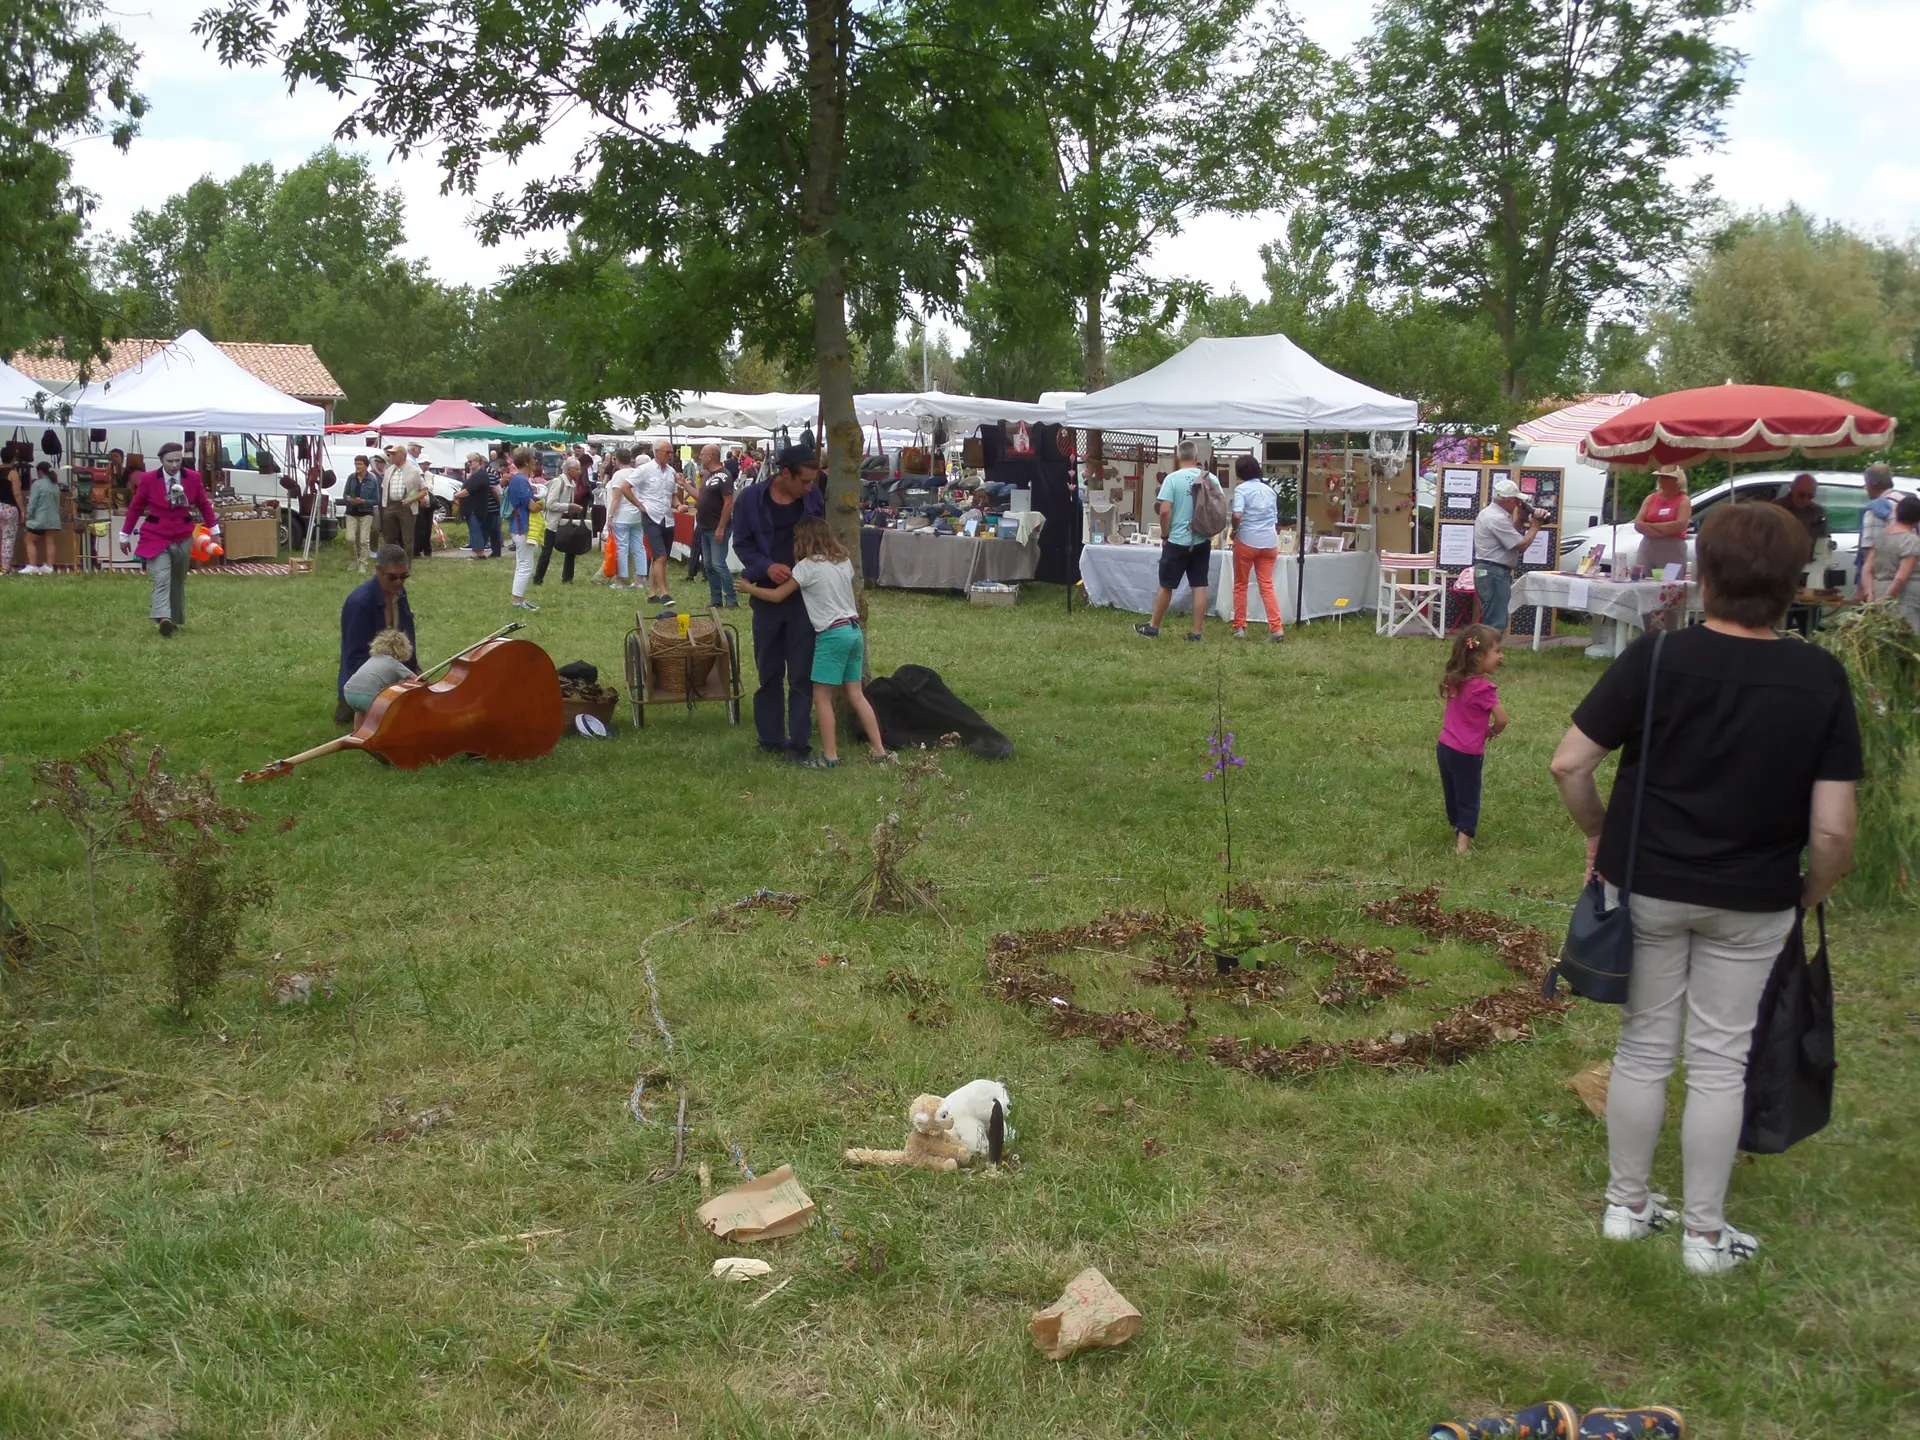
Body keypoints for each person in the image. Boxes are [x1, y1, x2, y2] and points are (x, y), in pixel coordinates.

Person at [1548, 501, 1861, 1276]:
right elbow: (1833, 830)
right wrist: (1812, 892)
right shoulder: (1820, 677)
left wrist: (1596, 834)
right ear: (1795, 582)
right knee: (1722, 1059)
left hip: (1648, 885)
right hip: (1755, 896)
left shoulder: (1656, 658)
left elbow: (1569, 764)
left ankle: (1626, 1208)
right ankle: (1704, 1236)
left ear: (1703, 575)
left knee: (1644, 1047)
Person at [737, 517, 890, 768]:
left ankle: (830, 756)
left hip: (832, 635)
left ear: (804, 541)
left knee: (822, 697)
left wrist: (749, 588)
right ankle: (879, 750)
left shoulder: (806, 568)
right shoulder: (843, 563)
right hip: (853, 631)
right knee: (856, 694)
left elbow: (777, 596)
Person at [733, 443, 827, 758]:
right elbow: (742, 544)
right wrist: (766, 567)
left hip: (805, 597)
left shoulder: (812, 498)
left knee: (802, 673)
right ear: (785, 473)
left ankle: (799, 744)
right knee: (769, 671)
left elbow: (821, 539)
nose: (809, 487)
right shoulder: (750, 499)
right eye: (803, 481)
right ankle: (770, 740)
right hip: (765, 596)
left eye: (812, 481)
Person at [119, 442, 217, 635]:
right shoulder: (148, 479)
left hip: (183, 534)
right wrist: (124, 535)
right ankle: (163, 617)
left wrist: (214, 531)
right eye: (170, 461)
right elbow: (136, 507)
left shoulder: (193, 478)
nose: (174, 465)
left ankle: (174, 619)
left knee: (178, 580)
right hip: (155, 535)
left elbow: (204, 504)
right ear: (161, 461)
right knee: (161, 577)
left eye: (178, 461)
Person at [1436, 623, 1508, 855]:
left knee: (1452, 792)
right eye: (1497, 651)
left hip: (1445, 747)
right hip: (1467, 753)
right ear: (1478, 657)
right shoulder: (1483, 688)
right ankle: (1462, 846)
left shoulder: (1455, 680)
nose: (1501, 656)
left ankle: (1456, 827)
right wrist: (1491, 732)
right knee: (1468, 795)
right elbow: (1502, 720)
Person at [1134, 439, 1213, 641]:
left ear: (1178, 457)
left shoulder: (1172, 479)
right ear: (1196, 457)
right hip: (1202, 539)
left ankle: (1154, 627)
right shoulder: (1209, 478)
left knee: (1166, 584)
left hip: (1178, 539)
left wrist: (1164, 535)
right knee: (1199, 585)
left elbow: (1164, 511)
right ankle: (1196, 632)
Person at [337, 545, 420, 724]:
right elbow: (355, 658)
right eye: (392, 577)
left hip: (393, 673)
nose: (398, 582)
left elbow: (407, 637)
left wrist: (416, 672)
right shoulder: (359, 603)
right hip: (363, 682)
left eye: (404, 576)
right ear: (378, 570)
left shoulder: (399, 593)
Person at [1472, 477, 1543, 631]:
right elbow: (1521, 545)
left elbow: (1511, 538)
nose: (1518, 504)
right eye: (1516, 501)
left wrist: (1521, 519)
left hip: (1489, 571)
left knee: (1491, 616)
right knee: (1495, 621)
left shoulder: (1490, 514)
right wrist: (1535, 526)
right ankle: (1487, 651)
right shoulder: (1496, 518)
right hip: (1494, 573)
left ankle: (1482, 650)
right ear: (1507, 500)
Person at [1227, 454, 1285, 642]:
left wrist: (1234, 531)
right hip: (1269, 542)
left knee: (1241, 585)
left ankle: (1239, 626)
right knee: (1267, 586)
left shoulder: (1241, 490)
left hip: (1247, 540)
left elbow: (1237, 515)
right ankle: (1276, 628)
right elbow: (1275, 519)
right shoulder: (1270, 491)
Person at [633, 442, 680, 606]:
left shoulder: (671, 472)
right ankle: (665, 593)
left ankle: (652, 593)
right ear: (657, 452)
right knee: (661, 556)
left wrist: (679, 505)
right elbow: (625, 487)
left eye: (671, 452)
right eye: (668, 452)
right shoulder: (644, 470)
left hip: (667, 518)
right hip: (651, 516)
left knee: (657, 558)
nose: (670, 455)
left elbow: (673, 495)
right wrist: (639, 505)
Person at [694, 442, 738, 608]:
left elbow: (728, 503)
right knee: (709, 566)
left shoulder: (724, 476)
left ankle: (732, 599)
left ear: (711, 456)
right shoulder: (706, 475)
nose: (700, 457)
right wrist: (684, 485)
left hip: (717, 527)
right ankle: (716, 599)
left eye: (702, 454)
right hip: (704, 526)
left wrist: (721, 526)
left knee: (718, 564)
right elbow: (700, 496)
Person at [1868, 495, 1920, 631]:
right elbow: (1900, 578)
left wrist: (1870, 596)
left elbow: (1866, 569)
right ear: (1917, 520)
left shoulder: (1881, 537)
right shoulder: (1911, 541)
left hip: (1878, 593)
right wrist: (1885, 601)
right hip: (1901, 601)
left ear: (1897, 513)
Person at [534, 456, 588, 586]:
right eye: (577, 469)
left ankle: (567, 579)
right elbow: (550, 504)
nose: (580, 472)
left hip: (562, 523)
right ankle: (537, 580)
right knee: (546, 553)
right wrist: (569, 507)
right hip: (551, 524)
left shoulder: (571, 483)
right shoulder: (559, 482)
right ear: (569, 470)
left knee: (570, 549)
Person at [341, 628, 416, 720]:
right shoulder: (394, 663)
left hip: (349, 692)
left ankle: (357, 732)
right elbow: (414, 679)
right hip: (368, 697)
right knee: (389, 716)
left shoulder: (373, 659)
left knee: (359, 711)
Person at [1633, 466, 1691, 578]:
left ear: (1677, 480)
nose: (1661, 480)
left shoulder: (1683, 500)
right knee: (1644, 580)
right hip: (1648, 546)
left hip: (1672, 548)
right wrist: (1663, 529)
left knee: (1670, 583)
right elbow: (1638, 524)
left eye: (1666, 477)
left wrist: (1650, 526)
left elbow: (1680, 525)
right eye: (1660, 477)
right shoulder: (1650, 498)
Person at [503, 447, 540, 611]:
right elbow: (531, 505)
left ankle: (519, 598)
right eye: (533, 458)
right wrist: (540, 506)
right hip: (522, 526)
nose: (536, 461)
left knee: (522, 563)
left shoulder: (518, 479)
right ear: (526, 461)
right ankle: (518, 600)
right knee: (526, 564)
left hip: (518, 526)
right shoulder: (520, 480)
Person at [606, 446, 648, 589]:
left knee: (622, 548)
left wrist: (610, 516)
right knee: (639, 547)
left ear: (617, 460)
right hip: (637, 514)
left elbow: (616, 498)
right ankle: (640, 580)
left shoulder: (618, 475)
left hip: (622, 515)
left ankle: (621, 581)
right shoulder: (637, 473)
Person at [1854, 464, 1896, 601]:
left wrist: (1865, 589)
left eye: (1866, 485)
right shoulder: (1905, 502)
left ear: (1872, 484)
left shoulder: (1875, 510)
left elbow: (1870, 553)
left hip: (1884, 582)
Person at [380, 443, 426, 550]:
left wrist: (412, 499)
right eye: (389, 454)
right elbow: (384, 488)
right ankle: (391, 563)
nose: (390, 457)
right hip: (390, 505)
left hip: (406, 507)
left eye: (393, 454)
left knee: (407, 538)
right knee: (389, 537)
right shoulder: (389, 470)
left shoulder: (414, 470)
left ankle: (406, 564)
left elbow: (424, 490)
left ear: (401, 455)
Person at [22, 460, 64, 574]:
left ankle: (32, 565)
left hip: (39, 519)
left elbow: (32, 503)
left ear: (40, 471)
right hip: (53, 518)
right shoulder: (56, 485)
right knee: (50, 541)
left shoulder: (37, 484)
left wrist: (28, 516)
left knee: (28, 540)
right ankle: (49, 567)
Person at [342, 455, 380, 570]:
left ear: (366, 466)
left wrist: (363, 501)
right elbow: (345, 494)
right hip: (351, 511)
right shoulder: (351, 478)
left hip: (366, 512)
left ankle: (363, 563)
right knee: (350, 538)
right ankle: (354, 560)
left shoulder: (372, 479)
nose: (357, 466)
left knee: (364, 540)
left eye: (360, 464)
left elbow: (376, 500)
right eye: (356, 464)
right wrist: (349, 499)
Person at [1771, 472, 1829, 544]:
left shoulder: (1817, 512)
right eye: (1801, 495)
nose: (1805, 500)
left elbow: (1823, 540)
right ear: (1792, 489)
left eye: (1810, 496)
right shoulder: (1774, 509)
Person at [406, 442, 434, 557]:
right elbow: (415, 483)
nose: (420, 452)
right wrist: (421, 497)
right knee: (419, 526)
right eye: (419, 450)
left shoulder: (413, 462)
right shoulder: (411, 462)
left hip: (421, 498)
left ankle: (422, 549)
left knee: (424, 526)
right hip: (417, 498)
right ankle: (416, 550)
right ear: (413, 450)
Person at [0, 443, 22, 574]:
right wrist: (22, 510)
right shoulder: (13, 473)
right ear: (13, 458)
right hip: (9, 508)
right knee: (8, 538)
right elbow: (17, 494)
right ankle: (5, 567)